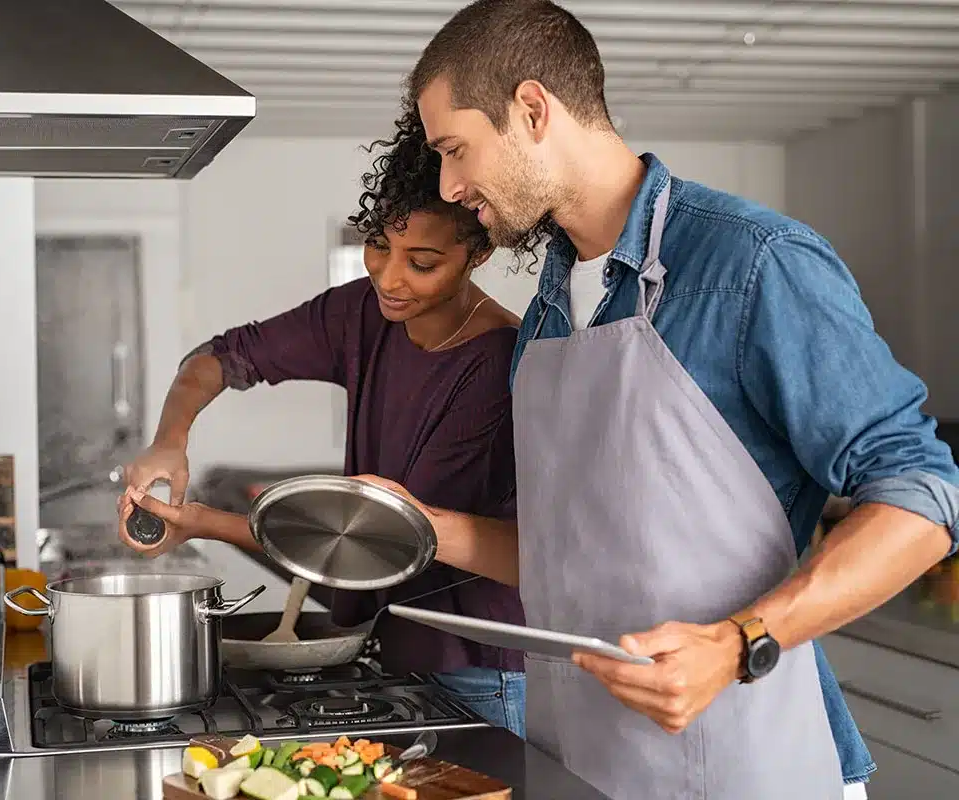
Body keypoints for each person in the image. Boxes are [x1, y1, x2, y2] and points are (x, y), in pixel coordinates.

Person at [344, 1, 959, 798]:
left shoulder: (751, 263)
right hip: (586, 759)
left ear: (533, 110)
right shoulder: (549, 305)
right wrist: (419, 528)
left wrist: (739, 644)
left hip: (744, 764)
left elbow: (923, 496)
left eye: (456, 150)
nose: (452, 187)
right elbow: (577, 558)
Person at [116, 119, 529, 735]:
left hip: (480, 670)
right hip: (398, 647)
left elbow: (383, 545)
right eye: (378, 246)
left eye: (422, 262)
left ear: (481, 252)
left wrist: (204, 522)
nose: (389, 278)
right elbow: (220, 358)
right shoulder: (363, 310)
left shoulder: (494, 364)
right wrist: (168, 441)